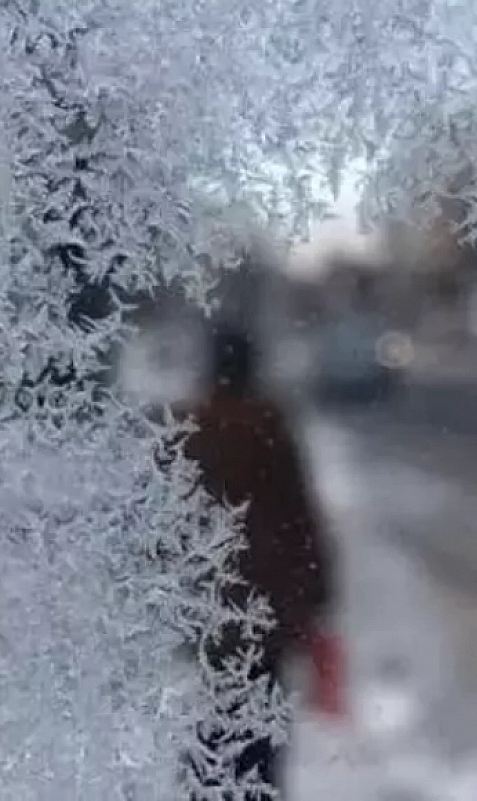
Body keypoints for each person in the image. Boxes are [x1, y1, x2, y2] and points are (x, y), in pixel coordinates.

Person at [175, 325, 336, 799]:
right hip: (266, 607)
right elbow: (299, 517)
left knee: (217, 715)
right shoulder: (269, 426)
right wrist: (317, 593)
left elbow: (169, 521)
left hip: (212, 605)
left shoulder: (193, 427)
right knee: (261, 725)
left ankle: (208, 786)